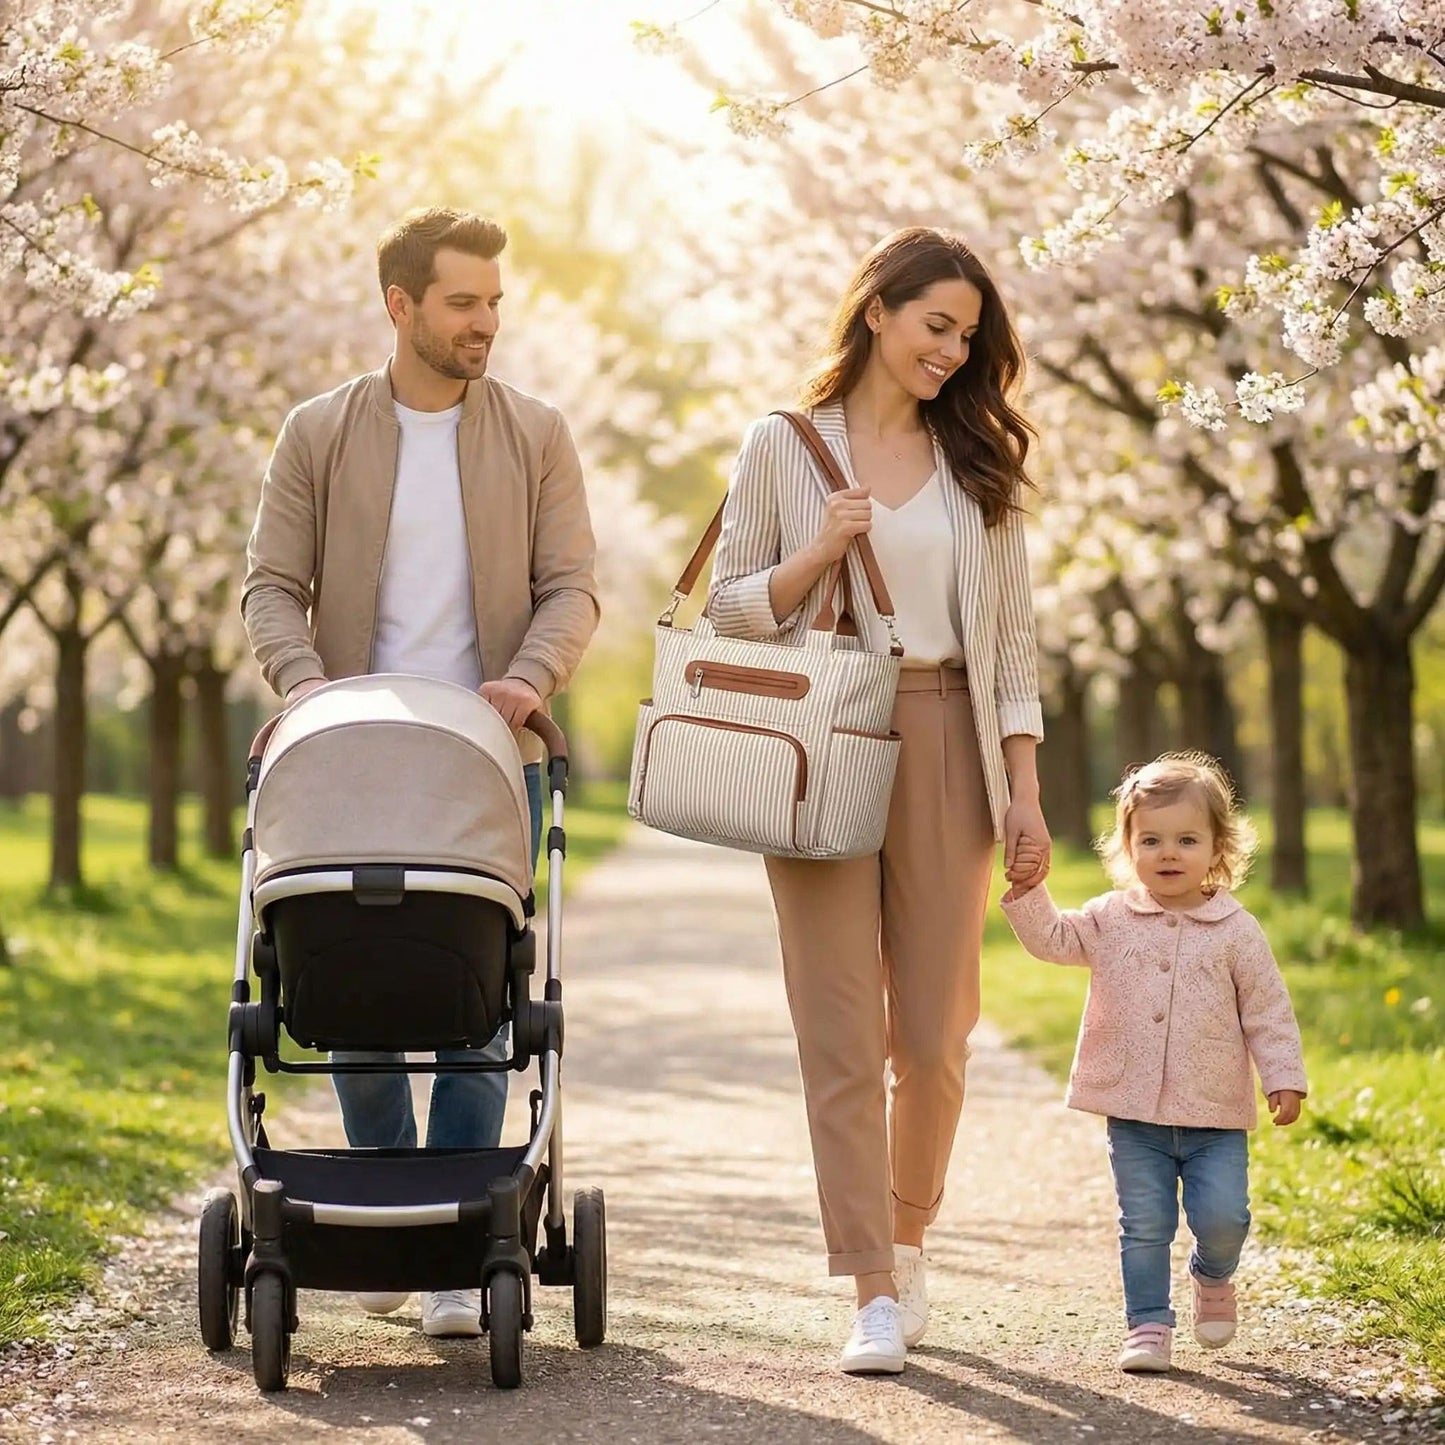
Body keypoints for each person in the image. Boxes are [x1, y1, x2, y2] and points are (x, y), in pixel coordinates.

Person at [240, 205, 599, 1337]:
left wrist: (528, 679)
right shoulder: (318, 432)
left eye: (493, 302)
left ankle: (454, 1246)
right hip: (352, 751)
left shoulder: (534, 433)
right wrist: (307, 688)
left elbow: (571, 587)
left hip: (487, 755)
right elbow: (270, 585)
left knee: (477, 997)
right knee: (353, 984)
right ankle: (384, 1203)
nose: (485, 321)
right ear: (400, 306)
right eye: (462, 302)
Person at [707, 227, 1050, 1375]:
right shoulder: (783, 443)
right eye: (933, 325)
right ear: (875, 312)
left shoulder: (976, 460)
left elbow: (1011, 644)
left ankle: (906, 1241)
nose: (949, 351)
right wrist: (816, 551)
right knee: (839, 1027)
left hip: (949, 728)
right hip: (820, 727)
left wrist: (1023, 789)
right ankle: (867, 1288)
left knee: (935, 1035)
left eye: (966, 334)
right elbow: (728, 609)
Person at [1000, 751, 1307, 1374]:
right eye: (1151, 840)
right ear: (1128, 847)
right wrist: (1030, 892)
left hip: (1214, 1114)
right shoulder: (1111, 918)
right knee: (1144, 1223)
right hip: (1133, 1110)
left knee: (1224, 1218)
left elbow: (1268, 1010)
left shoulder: (1236, 930)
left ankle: (1212, 1274)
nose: (1169, 853)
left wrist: (1283, 1077)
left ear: (1218, 848)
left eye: (1187, 840)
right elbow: (1053, 940)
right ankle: (1147, 1324)